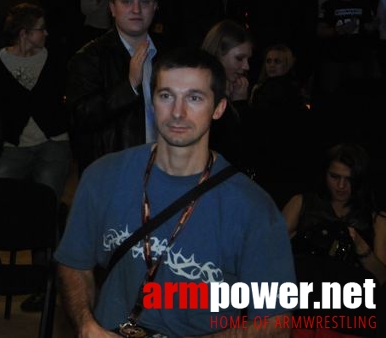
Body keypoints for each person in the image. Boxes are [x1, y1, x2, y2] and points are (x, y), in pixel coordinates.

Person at [55, 47, 295, 337]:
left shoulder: (252, 206)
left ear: (218, 108)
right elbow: (73, 263)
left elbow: (277, 320)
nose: (178, 112)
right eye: (166, 96)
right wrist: (85, 324)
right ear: (152, 101)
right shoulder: (103, 176)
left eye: (194, 98)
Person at [282, 144, 384, 335]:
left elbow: (382, 279)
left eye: (349, 179)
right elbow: (267, 255)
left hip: (352, 323)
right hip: (302, 319)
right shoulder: (301, 203)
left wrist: (362, 247)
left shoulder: (375, 219)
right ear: (324, 174)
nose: (341, 186)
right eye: (335, 177)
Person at [67, 0, 159, 174]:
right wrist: (129, 87)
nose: (136, 9)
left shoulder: (168, 56)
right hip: (112, 173)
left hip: (161, 170)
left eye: (144, 2)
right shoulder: (89, 58)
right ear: (112, 7)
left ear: (154, 6)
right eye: (127, 1)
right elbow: (80, 119)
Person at [0, 3, 70, 201]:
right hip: (14, 144)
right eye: (41, 29)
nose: (46, 33)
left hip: (53, 142)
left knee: (47, 203)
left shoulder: (53, 57)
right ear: (24, 33)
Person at [201, 19, 253, 172]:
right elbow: (233, 147)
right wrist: (240, 105)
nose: (246, 66)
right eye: (239, 58)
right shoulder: (204, 95)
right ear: (218, 53)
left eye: (248, 59)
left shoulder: (228, 91)